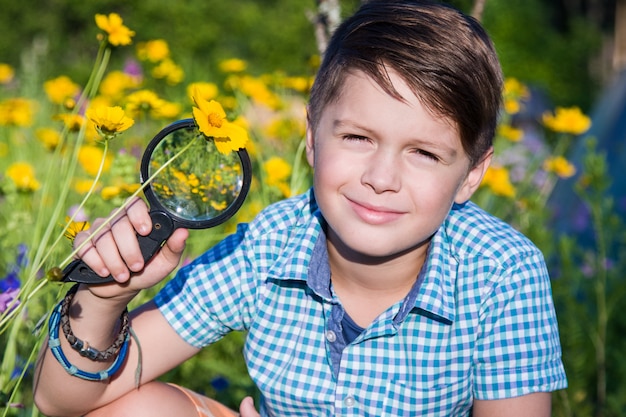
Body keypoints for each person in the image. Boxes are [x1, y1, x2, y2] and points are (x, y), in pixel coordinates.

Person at [33, 1, 568, 416]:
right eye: (358, 137)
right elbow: (60, 403)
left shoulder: (502, 273)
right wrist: (105, 298)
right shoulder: (271, 244)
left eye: (424, 153)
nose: (380, 179)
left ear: (472, 174)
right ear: (313, 139)